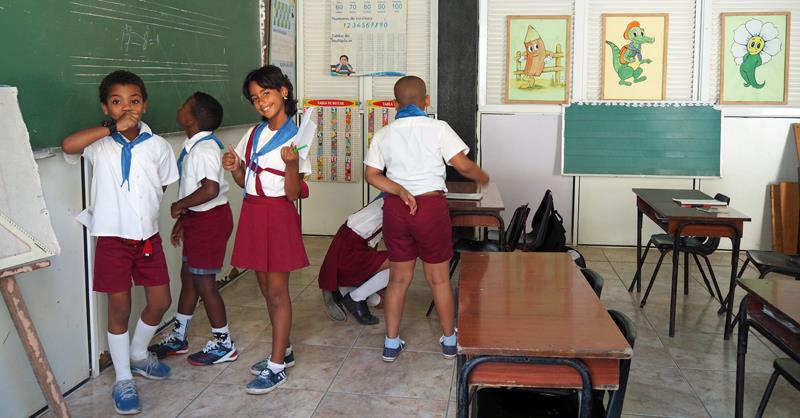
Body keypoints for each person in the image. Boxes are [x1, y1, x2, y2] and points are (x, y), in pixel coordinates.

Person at [62, 70, 177, 415]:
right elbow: (68, 146)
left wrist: (142, 213)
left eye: (134, 100)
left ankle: (139, 354)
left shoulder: (157, 146)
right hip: (112, 238)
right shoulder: (99, 145)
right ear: (105, 107)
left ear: (145, 104)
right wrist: (112, 127)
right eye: (117, 102)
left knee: (160, 301)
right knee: (120, 308)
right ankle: (123, 377)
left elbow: (163, 186)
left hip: (148, 238)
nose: (127, 107)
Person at [364, 75, 490, 362]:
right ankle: (448, 341)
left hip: (396, 209)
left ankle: (391, 343)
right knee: (439, 279)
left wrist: (398, 189)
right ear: (426, 101)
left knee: (398, 279)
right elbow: (461, 164)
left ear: (395, 104)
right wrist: (481, 175)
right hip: (431, 209)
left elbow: (371, 175)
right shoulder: (438, 128)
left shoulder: (384, 134)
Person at [222, 65, 311, 395]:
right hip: (253, 212)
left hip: (277, 215)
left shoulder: (299, 136)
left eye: (267, 94)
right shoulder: (253, 133)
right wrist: (234, 168)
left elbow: (291, 193)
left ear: (283, 91)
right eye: (255, 98)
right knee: (264, 287)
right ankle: (283, 350)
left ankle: (276, 366)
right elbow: (244, 178)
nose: (261, 103)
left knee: (277, 291)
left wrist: (291, 165)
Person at [148, 92, 237, 366]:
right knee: (189, 276)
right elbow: (196, 189)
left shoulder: (205, 150)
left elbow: (209, 189)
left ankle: (224, 343)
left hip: (210, 221)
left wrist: (178, 205)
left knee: (204, 283)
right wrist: (184, 220)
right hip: (199, 219)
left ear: (193, 118)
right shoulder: (195, 146)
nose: (179, 107)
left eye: (184, 105)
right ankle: (179, 335)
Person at [319, 195, 389, 325]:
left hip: (356, 243)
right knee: (401, 263)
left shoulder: (388, 196)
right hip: (353, 246)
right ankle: (353, 296)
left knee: (379, 301)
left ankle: (343, 290)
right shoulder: (397, 199)